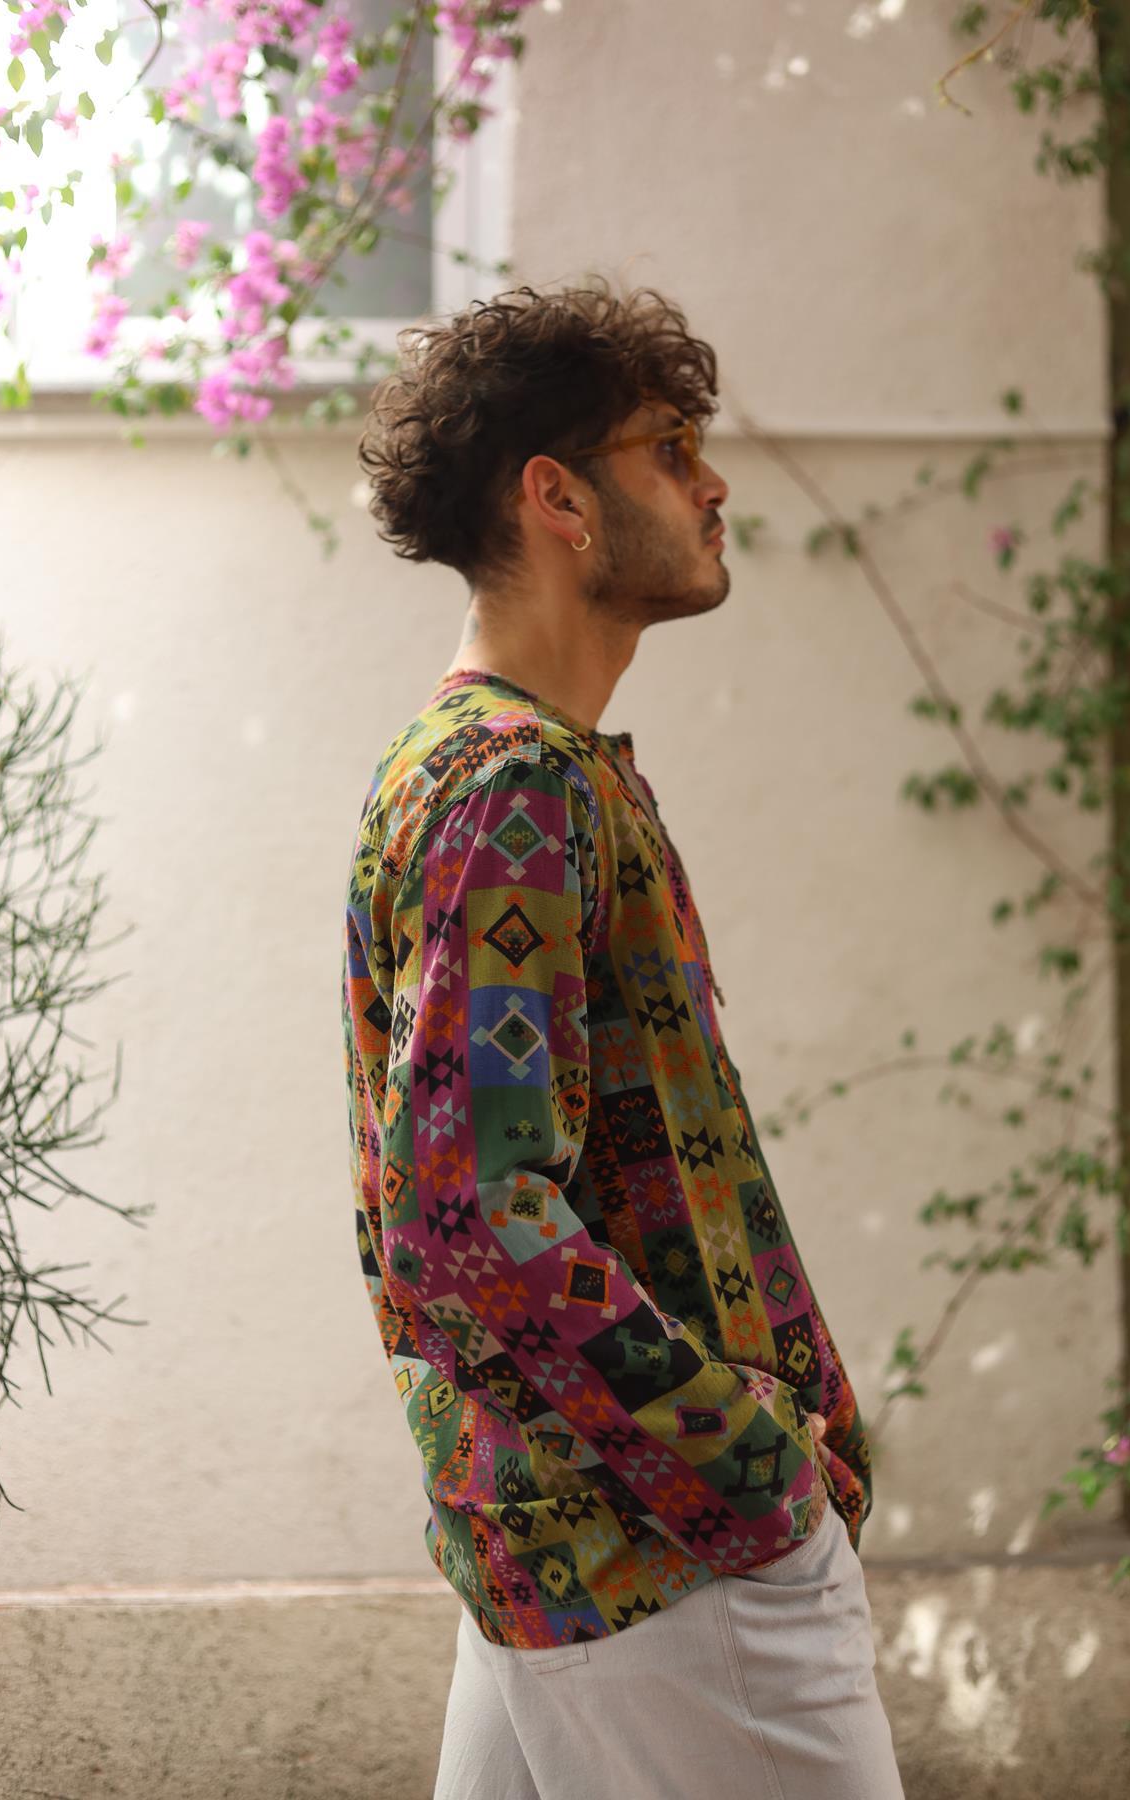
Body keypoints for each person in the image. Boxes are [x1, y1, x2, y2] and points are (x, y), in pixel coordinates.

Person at [341, 277, 904, 1800]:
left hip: (570, 1533)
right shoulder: (512, 787)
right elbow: (465, 1216)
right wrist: (752, 1471)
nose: (713, 484)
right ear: (559, 499)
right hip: (665, 1564)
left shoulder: (485, 768)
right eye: (670, 448)